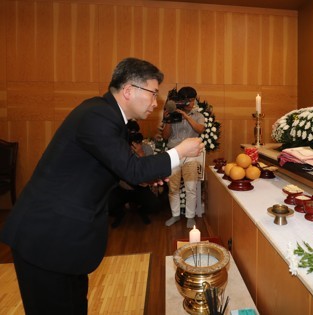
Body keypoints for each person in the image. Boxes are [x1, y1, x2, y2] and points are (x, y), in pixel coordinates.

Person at [0, 57, 204, 314]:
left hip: (65, 239)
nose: (156, 102)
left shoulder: (110, 117)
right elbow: (131, 167)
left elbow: (120, 167)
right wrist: (180, 151)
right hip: (47, 237)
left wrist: (144, 176)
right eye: (153, 94)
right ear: (129, 90)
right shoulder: (97, 115)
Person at [161, 87, 205, 228]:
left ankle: (190, 216)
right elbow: (165, 136)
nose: (191, 103)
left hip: (191, 155)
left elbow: (200, 129)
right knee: (173, 187)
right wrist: (168, 119)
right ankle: (175, 215)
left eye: (193, 100)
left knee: (191, 187)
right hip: (173, 154)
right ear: (182, 101)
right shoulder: (172, 115)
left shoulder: (198, 115)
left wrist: (186, 116)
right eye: (189, 100)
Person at [108, 120, 161, 227]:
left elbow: (150, 170)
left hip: (140, 187)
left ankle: (141, 210)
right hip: (123, 187)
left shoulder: (146, 148)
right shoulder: (120, 148)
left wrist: (141, 153)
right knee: (106, 205)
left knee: (155, 205)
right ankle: (120, 212)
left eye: (135, 132)